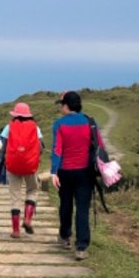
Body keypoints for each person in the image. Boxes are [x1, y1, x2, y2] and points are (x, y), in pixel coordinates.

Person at [51, 90, 105, 260]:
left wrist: (54, 172)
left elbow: (57, 150)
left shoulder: (59, 124)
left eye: (62, 105)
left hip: (65, 172)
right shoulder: (90, 122)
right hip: (85, 172)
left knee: (65, 205)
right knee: (82, 208)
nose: (61, 108)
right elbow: (100, 146)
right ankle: (81, 247)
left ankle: (65, 237)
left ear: (66, 106)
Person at [0, 102, 44, 238]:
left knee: (15, 196)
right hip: (30, 166)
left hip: (13, 166)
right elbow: (40, 148)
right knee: (33, 190)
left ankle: (16, 230)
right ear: (28, 115)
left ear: (15, 114)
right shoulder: (35, 127)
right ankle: (28, 219)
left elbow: (3, 148)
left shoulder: (8, 127)